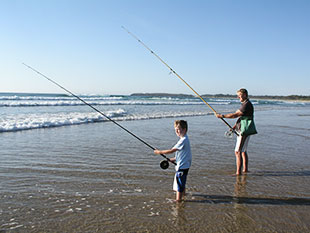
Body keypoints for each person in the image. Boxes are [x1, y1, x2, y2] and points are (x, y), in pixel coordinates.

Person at [216, 88, 257, 176]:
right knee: (243, 151)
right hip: (245, 129)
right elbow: (241, 117)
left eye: (240, 95)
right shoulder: (246, 104)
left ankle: (238, 172)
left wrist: (222, 116)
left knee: (238, 151)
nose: (238, 97)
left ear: (245, 95)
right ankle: (245, 170)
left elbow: (235, 115)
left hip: (243, 131)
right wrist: (234, 127)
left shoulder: (246, 105)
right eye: (238, 95)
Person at [154, 120, 192, 202]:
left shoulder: (183, 140)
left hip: (182, 166)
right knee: (182, 182)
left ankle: (178, 200)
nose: (177, 131)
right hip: (185, 165)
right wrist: (172, 159)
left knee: (179, 184)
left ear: (184, 129)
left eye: (179, 129)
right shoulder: (185, 139)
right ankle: (184, 194)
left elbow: (172, 150)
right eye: (175, 129)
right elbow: (182, 155)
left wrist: (159, 152)